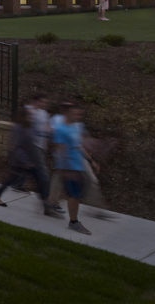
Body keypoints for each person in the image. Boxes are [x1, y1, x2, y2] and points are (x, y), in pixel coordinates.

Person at [52, 102, 96, 235]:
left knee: (75, 195)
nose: (78, 115)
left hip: (78, 167)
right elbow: (61, 151)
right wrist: (67, 171)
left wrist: (91, 160)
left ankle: (53, 203)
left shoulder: (77, 127)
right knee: (74, 196)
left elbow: (79, 146)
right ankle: (73, 222)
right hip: (70, 169)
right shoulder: (61, 129)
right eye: (76, 113)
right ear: (68, 113)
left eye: (80, 113)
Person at [0, 105, 41, 207]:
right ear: (23, 116)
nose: (31, 117)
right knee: (12, 179)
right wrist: (24, 161)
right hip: (20, 160)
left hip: (27, 160)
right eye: (29, 116)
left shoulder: (28, 126)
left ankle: (46, 202)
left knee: (35, 179)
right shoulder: (18, 128)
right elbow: (14, 146)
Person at [25, 94, 62, 216]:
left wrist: (52, 132)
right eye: (42, 102)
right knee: (44, 177)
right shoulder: (29, 110)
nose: (45, 105)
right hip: (33, 147)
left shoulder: (44, 113)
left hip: (42, 148)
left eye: (46, 103)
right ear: (37, 101)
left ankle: (47, 203)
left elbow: (48, 128)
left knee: (38, 177)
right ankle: (48, 206)